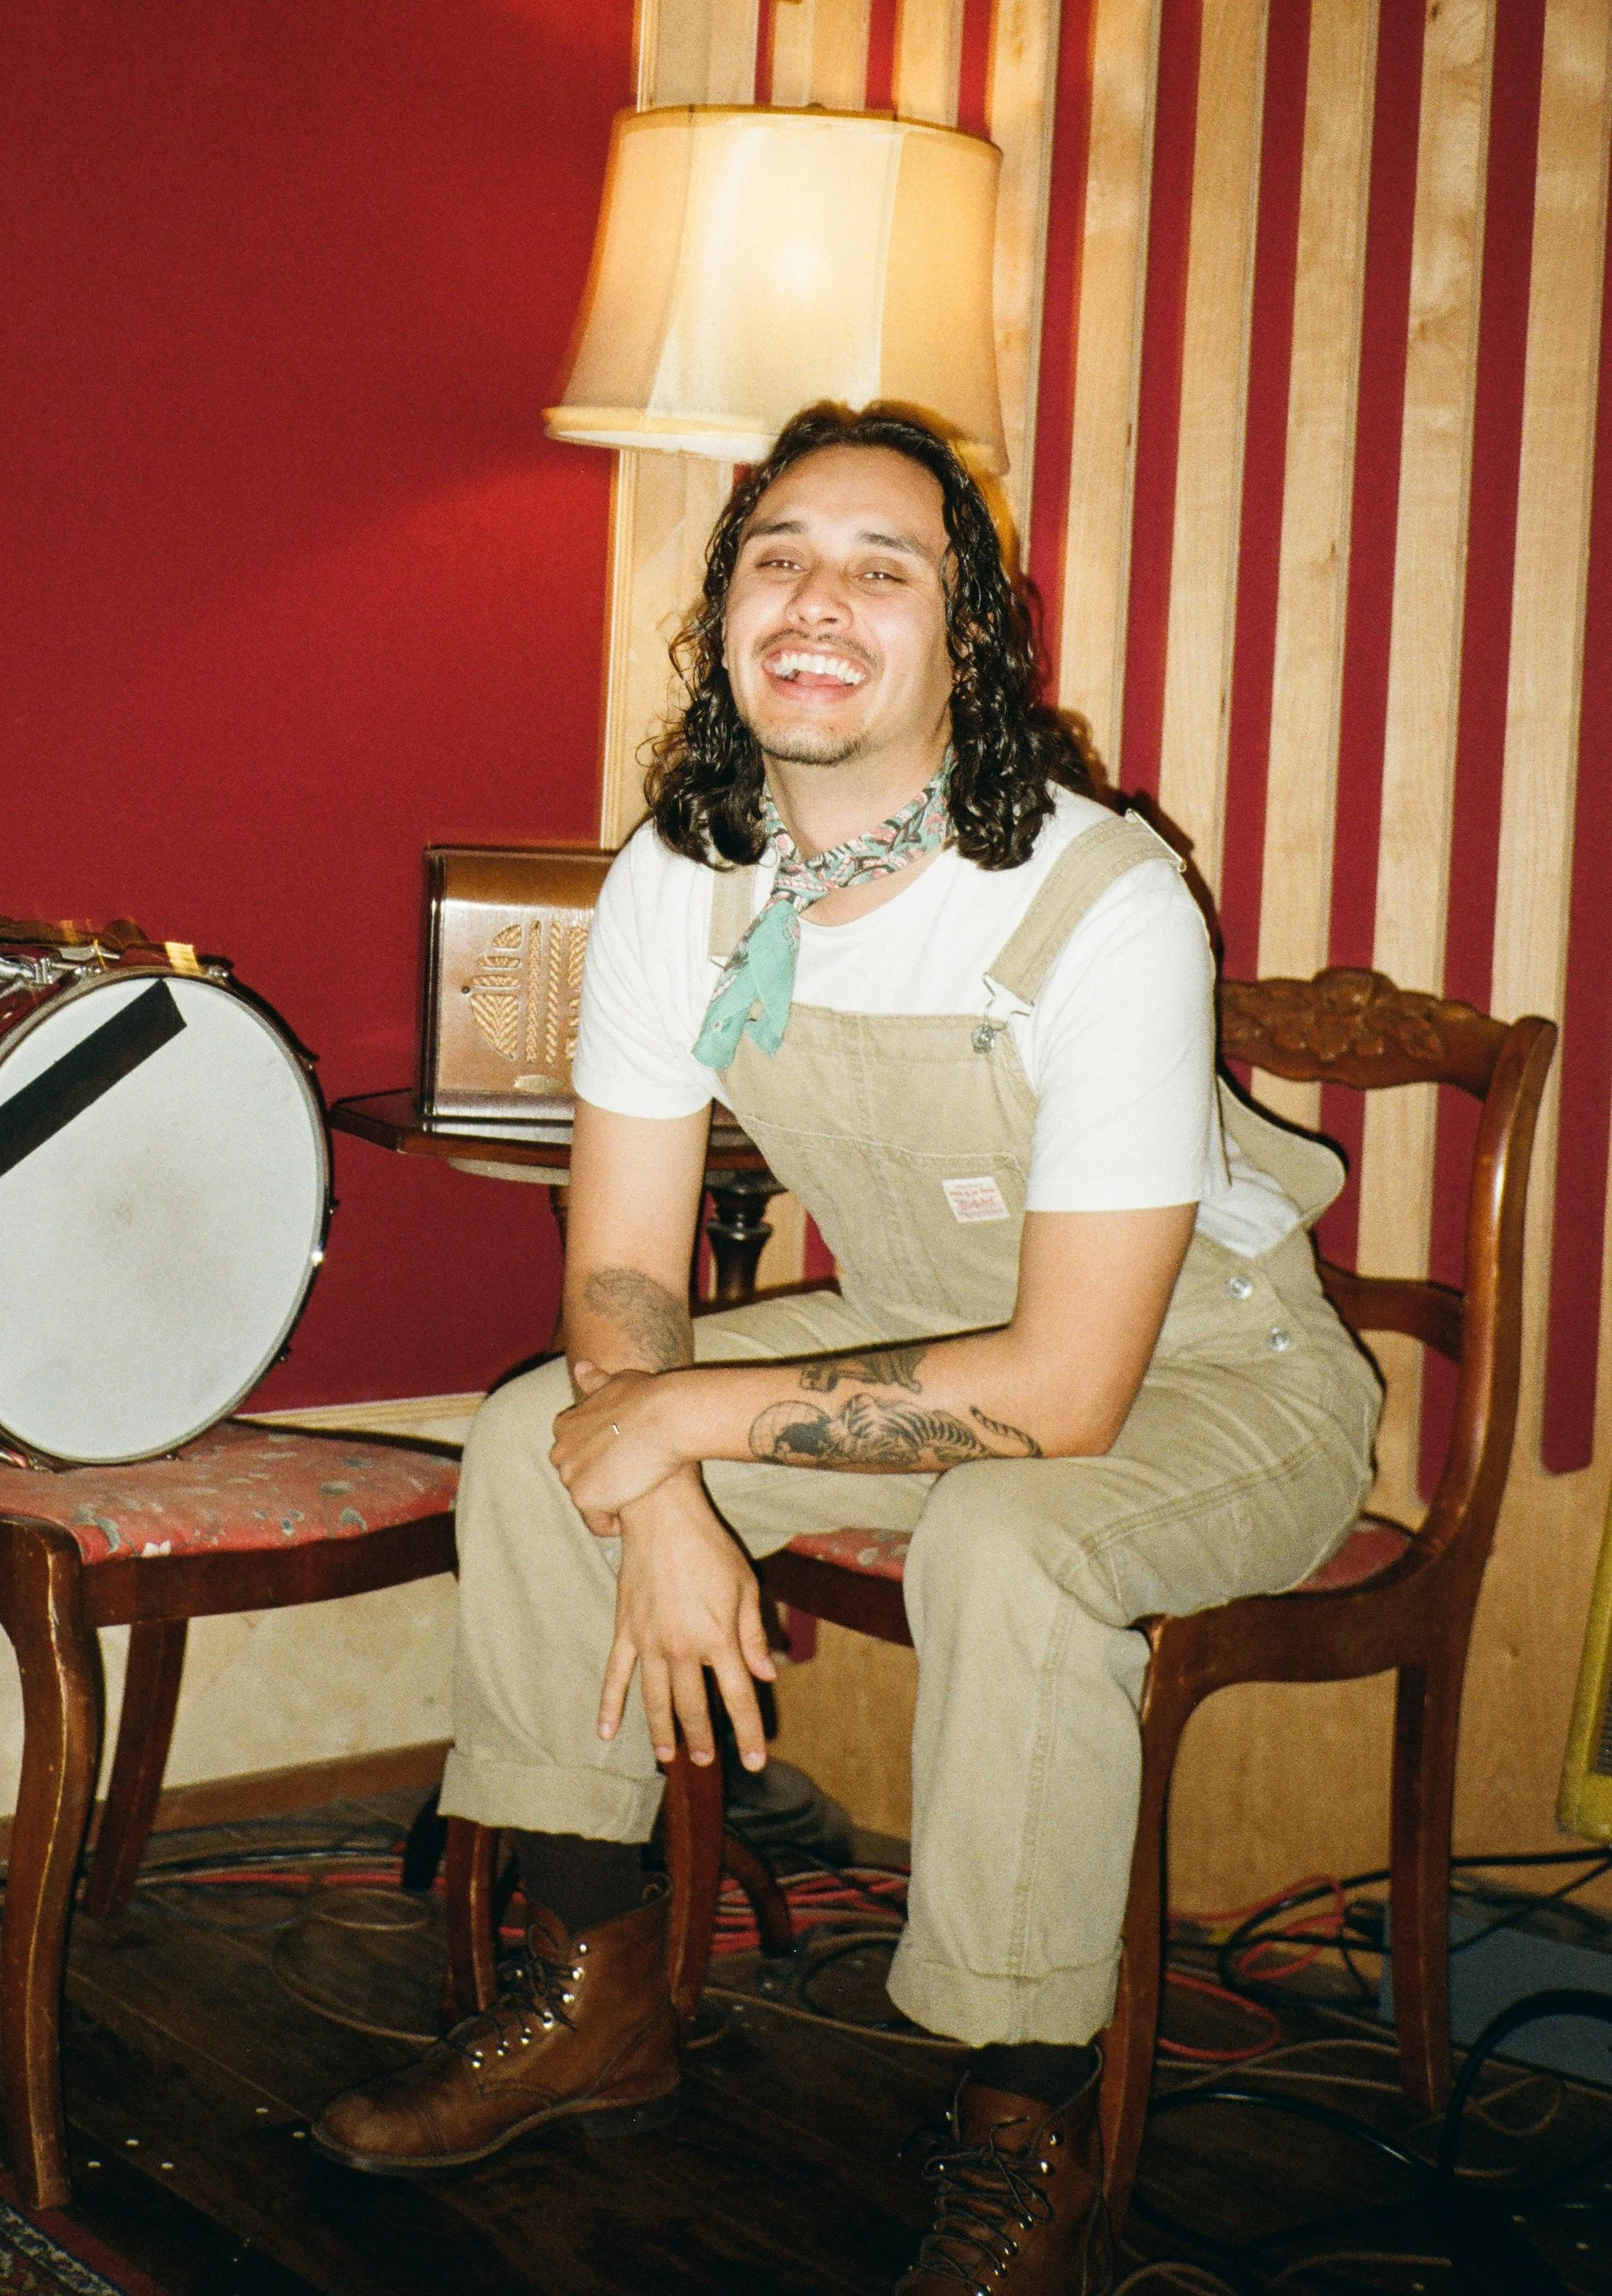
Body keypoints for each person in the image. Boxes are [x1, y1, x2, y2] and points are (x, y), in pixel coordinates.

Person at [314, 402, 1379, 2294]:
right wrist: (655, 1489)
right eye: (777, 557)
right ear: (721, 614)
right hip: (916, 1330)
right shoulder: (679, 875)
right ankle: (595, 1991)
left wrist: (675, 1427)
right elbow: (618, 1275)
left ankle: (1029, 2124)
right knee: (534, 1445)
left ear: (964, 639)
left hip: (1213, 1379)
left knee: (1010, 1536)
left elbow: (1063, 1393)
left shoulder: (1097, 899)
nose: (816, 600)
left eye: (881, 569)